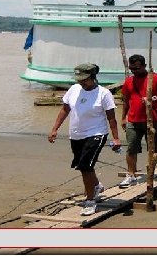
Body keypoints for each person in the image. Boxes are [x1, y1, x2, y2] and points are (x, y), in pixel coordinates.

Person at [48, 63, 121, 216]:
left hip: (96, 133)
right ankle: (96, 186)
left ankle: (90, 201)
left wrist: (116, 138)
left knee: (86, 166)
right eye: (79, 79)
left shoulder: (104, 93)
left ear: (93, 77)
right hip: (76, 134)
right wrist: (55, 129)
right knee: (83, 166)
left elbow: (111, 118)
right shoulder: (74, 89)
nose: (81, 82)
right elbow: (65, 110)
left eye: (84, 79)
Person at [119, 54, 157, 188]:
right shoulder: (128, 81)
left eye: (137, 68)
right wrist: (123, 117)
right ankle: (131, 174)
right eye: (132, 69)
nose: (135, 71)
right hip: (133, 120)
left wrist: (154, 98)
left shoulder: (155, 78)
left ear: (144, 66)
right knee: (131, 148)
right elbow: (126, 101)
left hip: (153, 120)